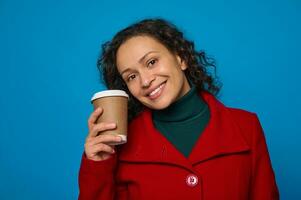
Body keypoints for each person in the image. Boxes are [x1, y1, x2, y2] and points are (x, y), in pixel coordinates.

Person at [78, 18, 279, 200]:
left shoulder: (246, 127)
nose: (146, 81)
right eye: (132, 76)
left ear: (181, 58)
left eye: (151, 62)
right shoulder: (118, 145)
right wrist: (97, 166)